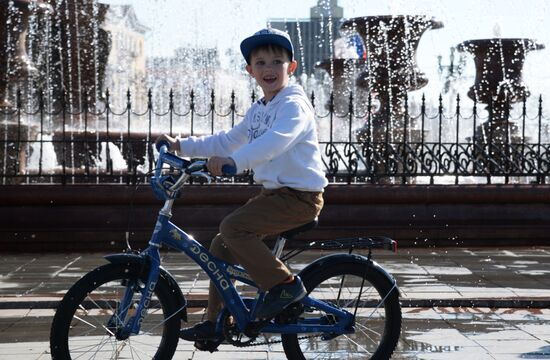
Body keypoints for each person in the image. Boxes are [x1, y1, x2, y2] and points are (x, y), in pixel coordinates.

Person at [156, 27, 328, 342]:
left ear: (291, 67)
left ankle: (285, 286)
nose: (268, 69)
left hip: (300, 198)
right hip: (273, 196)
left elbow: (278, 141)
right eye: (260, 63)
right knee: (221, 244)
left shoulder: (294, 105)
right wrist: (180, 146)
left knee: (233, 227)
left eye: (277, 62)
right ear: (250, 71)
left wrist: (237, 162)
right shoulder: (259, 110)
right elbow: (227, 140)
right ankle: (216, 322)